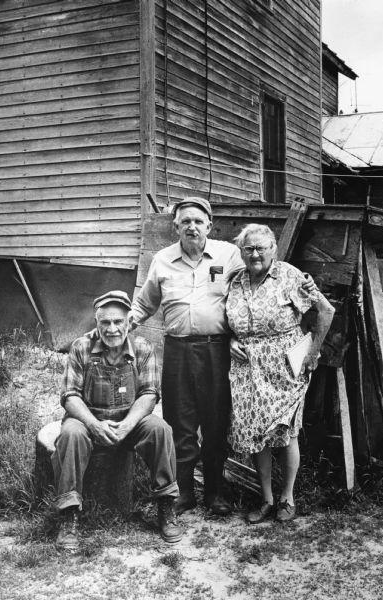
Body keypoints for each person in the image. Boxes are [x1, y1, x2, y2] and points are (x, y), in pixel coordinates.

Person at [131, 197, 245, 516]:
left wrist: (240, 337)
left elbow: (247, 296)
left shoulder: (229, 255)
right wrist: (120, 325)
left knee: (215, 420)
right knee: (179, 421)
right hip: (178, 349)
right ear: (176, 227)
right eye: (185, 222)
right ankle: (183, 492)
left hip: (217, 350)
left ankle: (215, 492)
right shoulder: (163, 260)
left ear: (210, 225)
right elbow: (144, 304)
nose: (191, 226)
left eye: (198, 221)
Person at [52, 290, 181, 551]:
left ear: (129, 322)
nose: (112, 329)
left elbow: (148, 394)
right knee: (71, 434)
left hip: (129, 422)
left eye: (118, 322)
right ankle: (69, 516)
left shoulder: (144, 348)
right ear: (97, 323)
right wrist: (94, 425)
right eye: (105, 323)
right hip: (89, 421)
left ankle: (166, 507)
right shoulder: (81, 347)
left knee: (160, 429)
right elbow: (69, 396)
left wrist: (126, 425)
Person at [227, 224, 335, 524]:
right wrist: (231, 340)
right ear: (241, 252)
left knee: (285, 433)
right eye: (249, 249)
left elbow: (326, 311)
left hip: (284, 367)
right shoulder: (235, 281)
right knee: (255, 435)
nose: (255, 253)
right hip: (246, 369)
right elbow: (231, 323)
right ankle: (266, 499)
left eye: (262, 247)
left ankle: (287, 497)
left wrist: (313, 353)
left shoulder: (290, 276)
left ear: (273, 249)